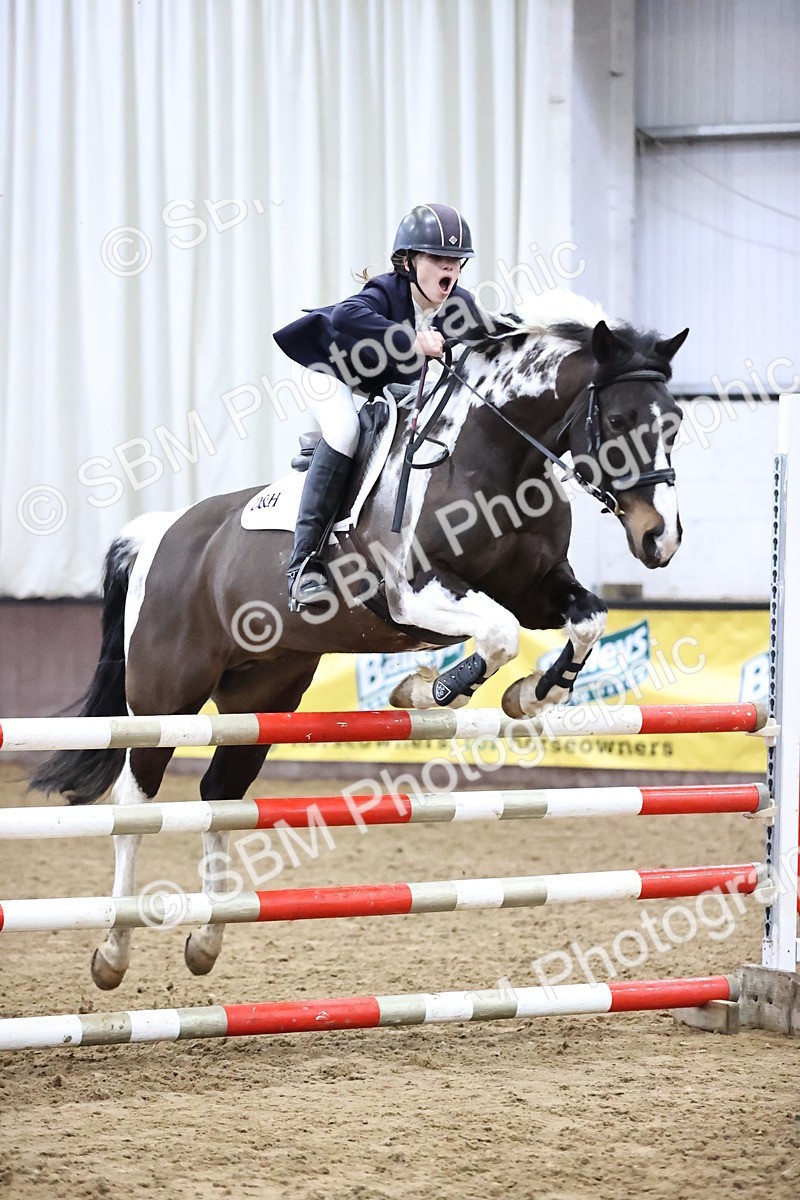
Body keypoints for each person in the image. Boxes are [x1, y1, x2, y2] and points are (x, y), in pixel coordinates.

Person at [274, 202, 485, 610]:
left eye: (457, 262)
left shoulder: (460, 303)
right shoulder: (388, 289)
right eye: (439, 259)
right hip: (330, 370)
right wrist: (412, 339)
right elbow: (347, 315)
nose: (451, 270)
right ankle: (303, 566)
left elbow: (491, 334)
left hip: (382, 385)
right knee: (345, 431)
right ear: (408, 262)